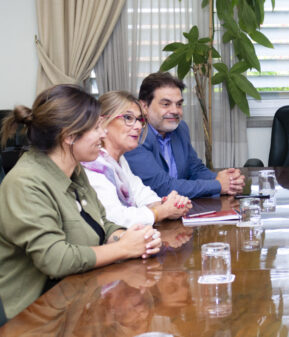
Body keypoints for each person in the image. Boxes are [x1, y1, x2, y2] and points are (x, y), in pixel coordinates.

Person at [0, 85, 162, 319]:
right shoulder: (25, 183)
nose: (103, 134)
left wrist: (126, 237)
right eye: (96, 128)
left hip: (80, 300)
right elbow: (55, 260)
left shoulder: (74, 168)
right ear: (68, 136)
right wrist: (123, 248)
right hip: (37, 318)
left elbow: (103, 222)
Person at [125, 72, 245, 198]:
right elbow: (162, 187)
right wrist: (218, 185)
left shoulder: (180, 129)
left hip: (181, 208)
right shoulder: (135, 136)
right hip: (152, 212)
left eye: (179, 104)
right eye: (166, 104)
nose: (175, 111)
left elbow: (195, 170)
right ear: (144, 106)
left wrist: (229, 180)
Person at [82, 91, 192, 228]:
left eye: (140, 120)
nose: (138, 126)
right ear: (103, 122)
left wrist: (168, 204)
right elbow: (114, 217)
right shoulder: (93, 164)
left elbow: (142, 194)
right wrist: (161, 211)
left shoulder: (118, 159)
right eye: (128, 118)